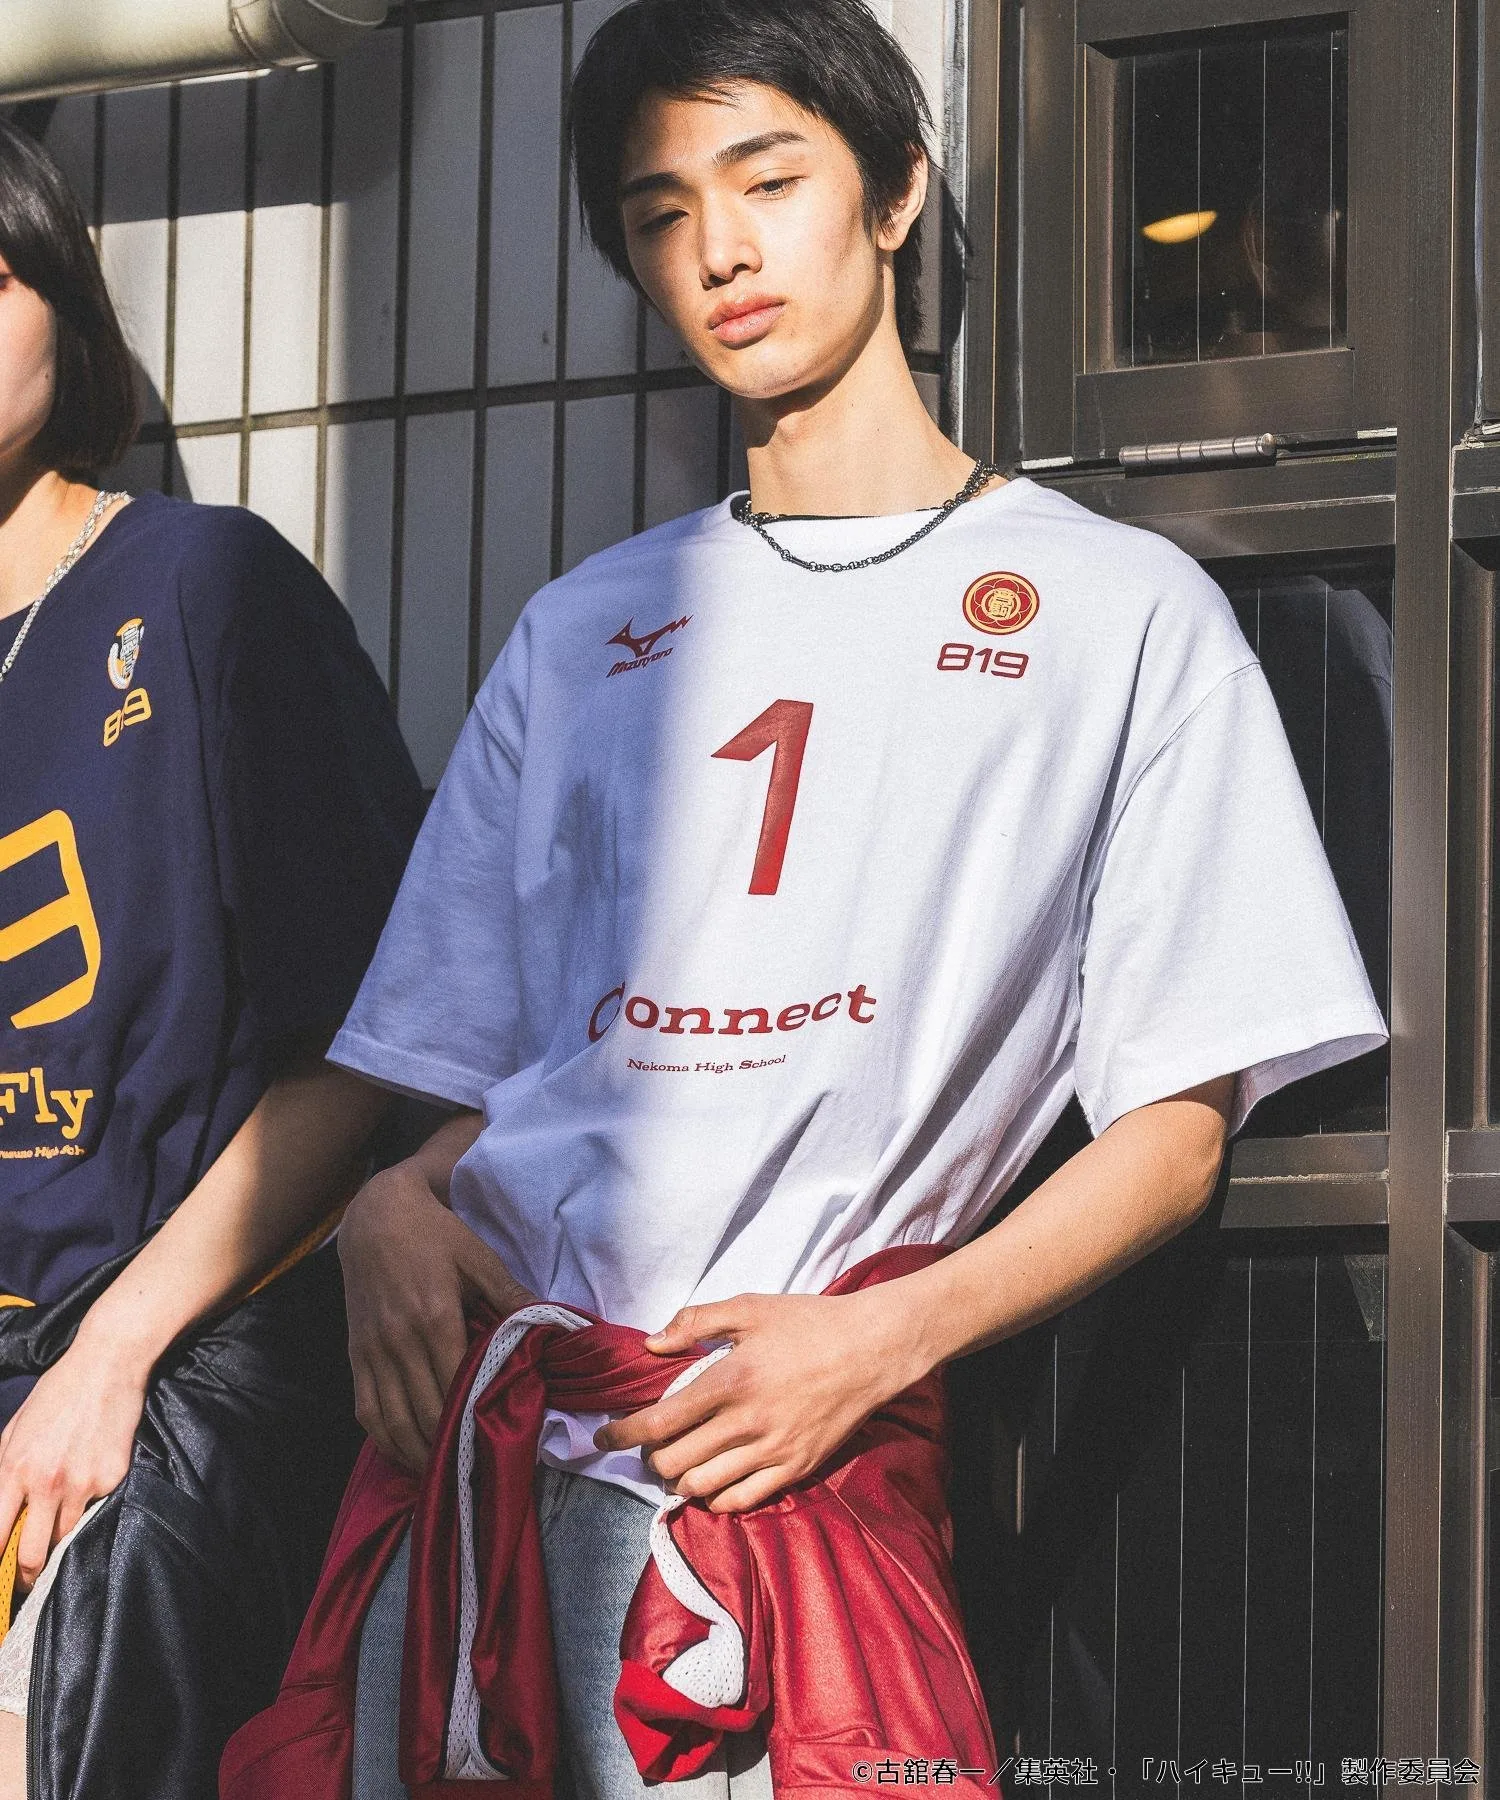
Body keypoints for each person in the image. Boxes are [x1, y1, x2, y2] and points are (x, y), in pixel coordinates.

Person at [246, 2, 1390, 1795]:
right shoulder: (580, 627)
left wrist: (883, 1338)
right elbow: (503, 1064)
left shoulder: (1117, 612)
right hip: (479, 1462)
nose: (719, 248)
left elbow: (1178, 1128)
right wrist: (393, 1200)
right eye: (660, 212)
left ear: (896, 190)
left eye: (768, 179)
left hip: (786, 1482)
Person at [0, 118, 426, 1799]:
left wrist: (111, 1358)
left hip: (154, 1374)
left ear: (67, 303)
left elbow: (372, 1037)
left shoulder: (200, 587)